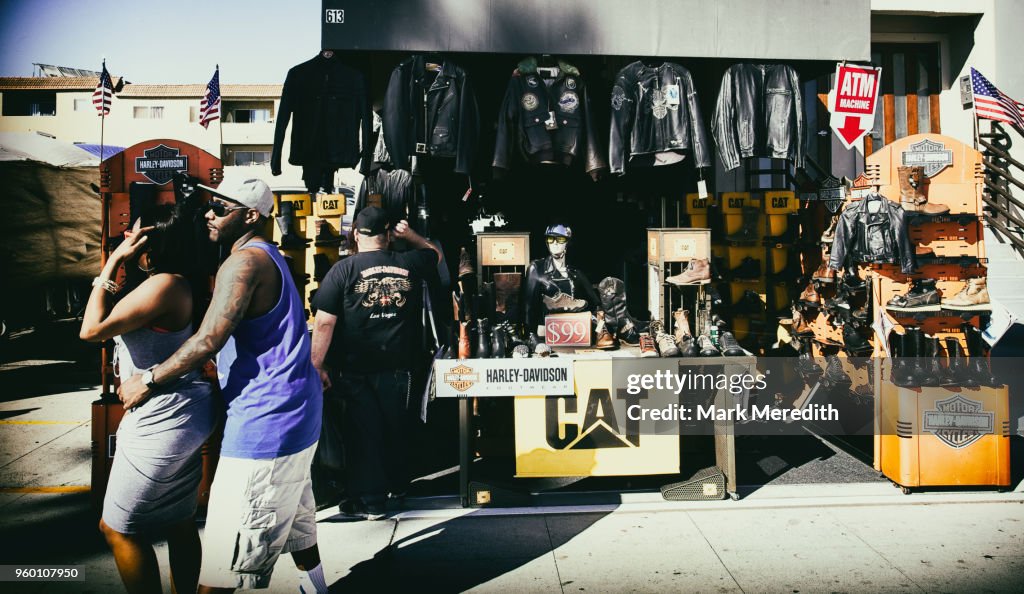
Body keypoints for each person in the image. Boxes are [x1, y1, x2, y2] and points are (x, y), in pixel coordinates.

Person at [117, 173, 328, 594]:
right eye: (209, 205)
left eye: (220, 208)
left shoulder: (243, 262)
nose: (209, 214)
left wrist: (150, 379)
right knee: (298, 525)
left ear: (251, 215)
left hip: (265, 425)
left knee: (224, 566)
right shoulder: (269, 255)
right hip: (293, 415)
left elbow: (209, 337)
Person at [80, 202, 217, 594]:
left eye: (134, 232)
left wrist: (111, 263)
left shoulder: (164, 285)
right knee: (178, 520)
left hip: (164, 416)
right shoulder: (176, 281)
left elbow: (91, 331)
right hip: (180, 410)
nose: (126, 236)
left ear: (152, 242)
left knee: (116, 528)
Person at [310, 206, 442, 519]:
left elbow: (325, 323)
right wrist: (408, 234)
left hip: (356, 367)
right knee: (396, 425)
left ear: (356, 234)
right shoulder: (407, 260)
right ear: (387, 235)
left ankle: (371, 501)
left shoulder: (342, 270)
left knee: (363, 431)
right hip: (399, 365)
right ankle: (397, 484)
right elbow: (434, 254)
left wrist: (316, 365)